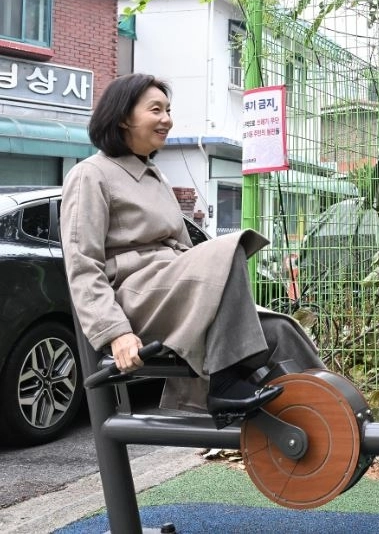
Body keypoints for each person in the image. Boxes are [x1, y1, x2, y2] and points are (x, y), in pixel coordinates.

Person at [62, 73, 325, 429]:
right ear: (123, 117)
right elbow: (82, 263)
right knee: (230, 247)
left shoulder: (155, 175)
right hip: (135, 298)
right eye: (156, 109)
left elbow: (185, 254)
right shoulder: (90, 174)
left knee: (279, 329)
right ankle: (225, 383)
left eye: (168, 110)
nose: (167, 119)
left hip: (171, 290)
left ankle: (337, 413)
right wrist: (115, 332)